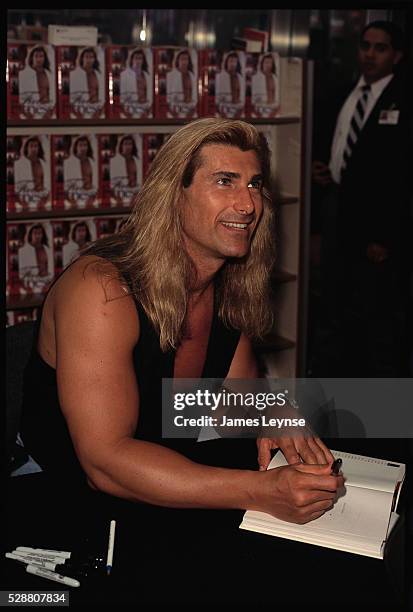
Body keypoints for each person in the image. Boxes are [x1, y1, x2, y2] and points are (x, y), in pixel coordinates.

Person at [20, 119, 342, 603]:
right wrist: (261, 491)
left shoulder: (227, 282)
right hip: (59, 507)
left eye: (254, 184)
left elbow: (221, 405)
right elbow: (105, 463)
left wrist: (273, 409)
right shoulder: (102, 289)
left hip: (153, 486)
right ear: (175, 194)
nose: (248, 204)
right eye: (224, 181)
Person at [310, 21, 411, 377]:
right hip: (336, 211)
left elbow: (401, 179)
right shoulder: (342, 93)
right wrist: (317, 170)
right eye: (365, 46)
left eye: (380, 48)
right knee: (332, 305)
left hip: (376, 228)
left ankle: (377, 416)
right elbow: (331, 143)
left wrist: (385, 238)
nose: (369, 54)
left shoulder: (403, 100)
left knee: (375, 319)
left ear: (396, 56)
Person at [13, 136, 50, 211]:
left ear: (39, 148)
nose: (33, 149)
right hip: (24, 199)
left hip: (41, 198)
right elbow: (15, 187)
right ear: (26, 148)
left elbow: (48, 185)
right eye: (31, 146)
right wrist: (23, 203)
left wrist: (43, 201)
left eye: (36, 146)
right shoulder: (19, 164)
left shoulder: (43, 163)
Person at [18, 45, 55, 119]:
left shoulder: (49, 74)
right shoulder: (24, 74)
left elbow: (53, 94)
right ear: (32, 58)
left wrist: (51, 110)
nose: (38, 59)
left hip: (48, 111)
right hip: (31, 111)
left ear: (45, 58)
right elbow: (21, 98)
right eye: (36, 56)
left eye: (41, 56)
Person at [69, 46, 105, 118]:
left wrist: (101, 110)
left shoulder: (99, 74)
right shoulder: (74, 74)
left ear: (94, 59)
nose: (89, 60)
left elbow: (102, 95)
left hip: (97, 110)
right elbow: (71, 98)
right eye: (86, 57)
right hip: (81, 110)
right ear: (82, 59)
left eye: (91, 57)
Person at [63, 135, 97, 209]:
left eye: (85, 145)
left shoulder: (92, 162)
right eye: (80, 145)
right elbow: (66, 187)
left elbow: (95, 183)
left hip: (91, 196)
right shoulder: (68, 163)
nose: (83, 148)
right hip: (74, 198)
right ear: (75, 147)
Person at [18, 223, 53, 292]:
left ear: (43, 235)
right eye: (35, 233)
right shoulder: (23, 251)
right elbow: (21, 273)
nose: (37, 236)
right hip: (31, 285)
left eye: (40, 233)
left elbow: (50, 268)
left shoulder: (47, 249)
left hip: (47, 281)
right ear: (30, 235)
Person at [109, 134, 142, 206]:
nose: (128, 147)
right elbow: (111, 185)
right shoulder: (114, 161)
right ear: (121, 146)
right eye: (125, 144)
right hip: (120, 195)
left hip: (136, 195)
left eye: (130, 144)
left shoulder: (137, 160)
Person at [119, 48, 152, 118]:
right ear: (131, 60)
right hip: (130, 109)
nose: (138, 61)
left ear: (143, 61)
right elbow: (121, 98)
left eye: (140, 58)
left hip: (145, 108)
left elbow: (149, 95)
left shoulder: (147, 76)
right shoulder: (124, 75)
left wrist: (148, 109)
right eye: (136, 58)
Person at [166, 49, 197, 118]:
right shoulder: (171, 75)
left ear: (189, 61)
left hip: (190, 109)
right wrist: (172, 111)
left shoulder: (192, 75)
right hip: (175, 110)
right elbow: (167, 97)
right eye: (182, 59)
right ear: (178, 61)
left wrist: (193, 110)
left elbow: (194, 95)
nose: (184, 62)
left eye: (186, 59)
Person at [215, 51, 245, 118]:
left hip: (238, 111)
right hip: (223, 112)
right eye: (231, 61)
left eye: (235, 62)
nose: (233, 64)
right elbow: (217, 100)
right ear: (226, 62)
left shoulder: (240, 78)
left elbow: (242, 98)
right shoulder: (220, 77)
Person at [251, 52, 280, 117]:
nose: (268, 65)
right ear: (262, 64)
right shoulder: (256, 78)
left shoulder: (275, 78)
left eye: (270, 63)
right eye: (266, 62)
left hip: (273, 109)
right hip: (260, 109)